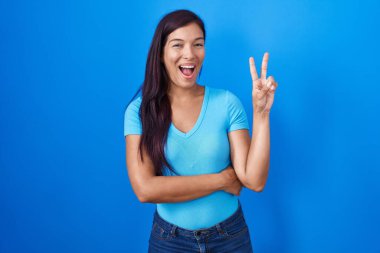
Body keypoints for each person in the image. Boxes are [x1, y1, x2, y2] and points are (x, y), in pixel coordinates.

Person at [124, 9, 278, 253]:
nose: (190, 54)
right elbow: (145, 189)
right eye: (178, 45)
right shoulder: (139, 111)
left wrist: (261, 113)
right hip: (169, 241)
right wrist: (221, 180)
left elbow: (254, 180)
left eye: (198, 44)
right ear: (161, 53)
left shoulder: (227, 103)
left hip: (230, 238)